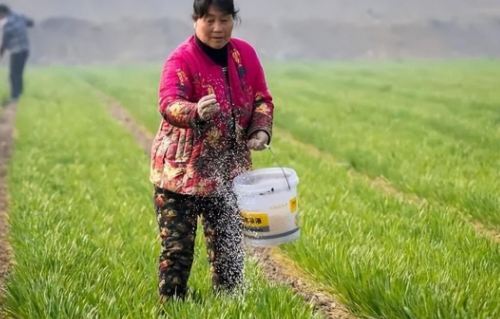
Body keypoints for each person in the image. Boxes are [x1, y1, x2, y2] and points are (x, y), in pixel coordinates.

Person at [150, 0, 274, 302]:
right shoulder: (181, 60)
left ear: (233, 20)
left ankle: (229, 309)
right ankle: (172, 309)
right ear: (196, 20)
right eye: (209, 20)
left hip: (229, 174)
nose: (218, 28)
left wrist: (260, 128)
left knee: (229, 255)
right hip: (181, 176)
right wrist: (195, 111)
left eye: (225, 19)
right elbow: (169, 103)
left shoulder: (245, 55)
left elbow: (261, 98)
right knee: (177, 254)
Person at [0, 4, 34, 105]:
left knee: (14, 74)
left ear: (3, 13)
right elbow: (31, 23)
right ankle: (18, 95)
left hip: (16, 50)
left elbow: (4, 42)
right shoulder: (20, 17)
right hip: (25, 49)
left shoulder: (6, 24)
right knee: (18, 73)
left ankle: (15, 97)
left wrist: (1, 53)